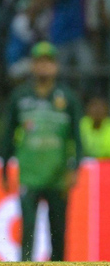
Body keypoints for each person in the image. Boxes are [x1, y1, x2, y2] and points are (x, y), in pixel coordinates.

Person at [0, 41, 83, 261]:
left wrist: (75, 167)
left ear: (55, 66)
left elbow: (77, 137)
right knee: (27, 231)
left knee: (58, 233)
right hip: (30, 174)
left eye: (48, 62)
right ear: (33, 66)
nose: (44, 67)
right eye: (39, 62)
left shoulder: (68, 98)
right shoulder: (20, 97)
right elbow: (8, 135)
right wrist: (5, 167)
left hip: (58, 176)